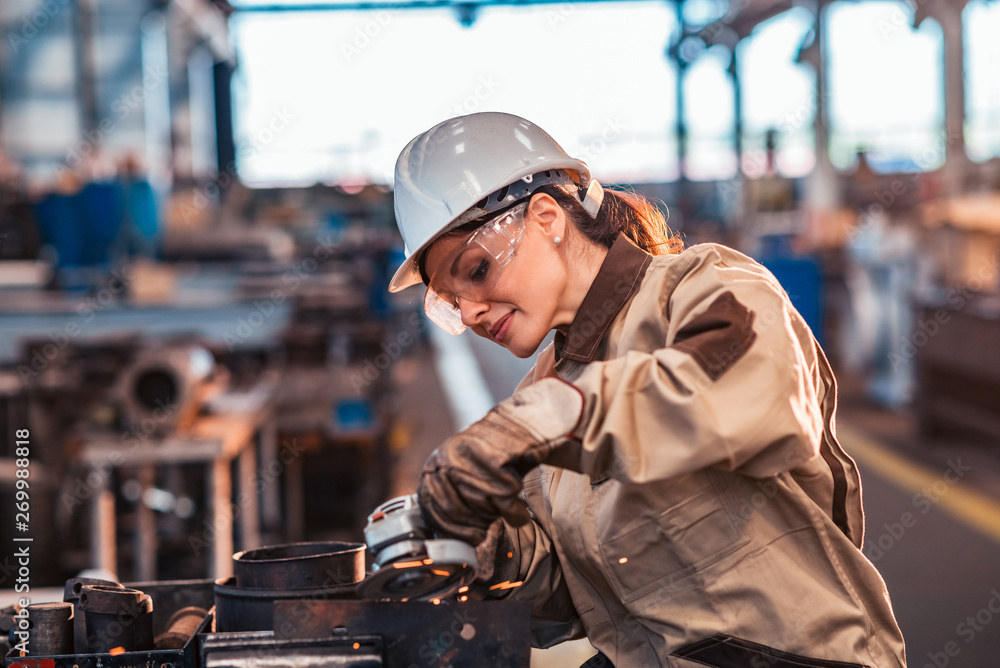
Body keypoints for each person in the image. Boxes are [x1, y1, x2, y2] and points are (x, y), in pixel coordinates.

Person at [387, 111, 906, 667]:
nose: (470, 311)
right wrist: (482, 552)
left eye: (476, 271)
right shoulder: (547, 384)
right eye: (450, 300)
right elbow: (578, 588)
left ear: (545, 217)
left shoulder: (702, 286)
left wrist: (538, 423)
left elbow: (754, 397)